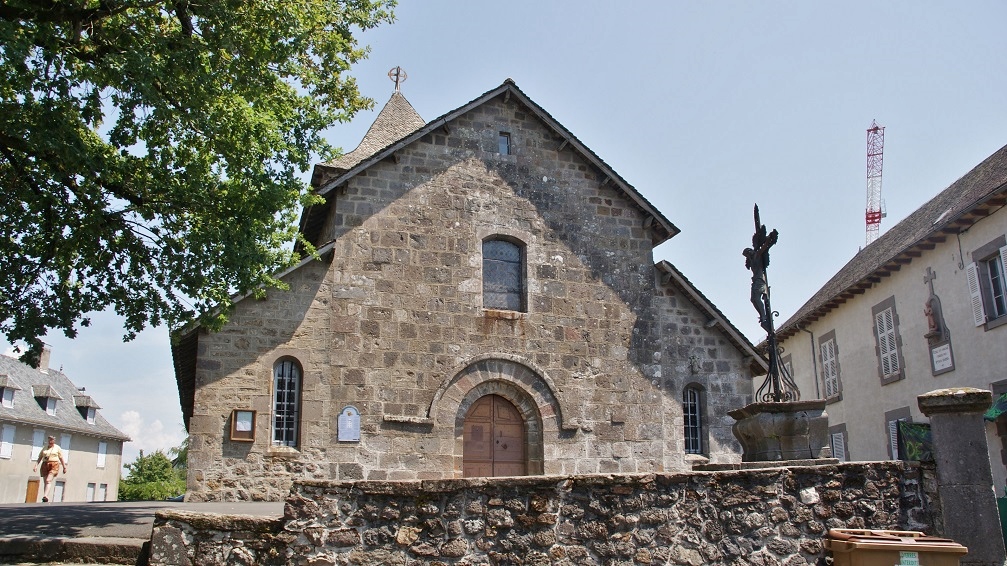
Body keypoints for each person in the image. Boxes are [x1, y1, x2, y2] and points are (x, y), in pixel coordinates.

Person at [32, 435, 67, 503]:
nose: (50, 441)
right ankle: (45, 496)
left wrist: (64, 467)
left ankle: (45, 496)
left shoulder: (57, 448)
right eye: (49, 439)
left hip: (54, 465)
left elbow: (61, 458)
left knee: (48, 480)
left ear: (54, 440)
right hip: (45, 464)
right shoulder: (45, 448)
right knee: (45, 481)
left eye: (52, 440)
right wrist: (36, 465)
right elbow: (40, 457)